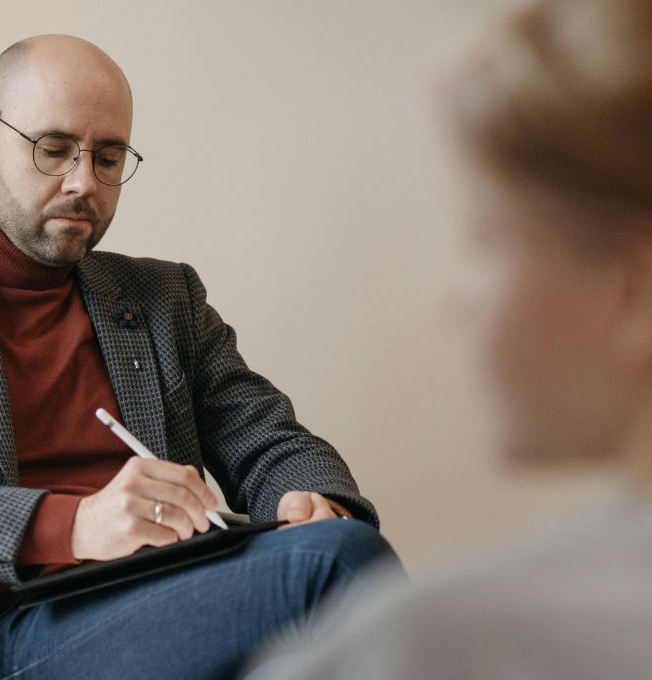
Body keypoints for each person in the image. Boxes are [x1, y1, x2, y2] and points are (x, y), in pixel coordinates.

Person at [0, 34, 398, 679]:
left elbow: (269, 440)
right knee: (332, 566)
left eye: (108, 157)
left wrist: (311, 499)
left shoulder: (164, 295)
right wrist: (76, 523)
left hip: (175, 582)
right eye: (53, 150)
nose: (84, 183)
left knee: (336, 543)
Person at [244, 0, 652, 678]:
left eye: (486, 236)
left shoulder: (420, 648)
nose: (457, 300)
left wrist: (307, 496)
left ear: (636, 290)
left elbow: (260, 431)